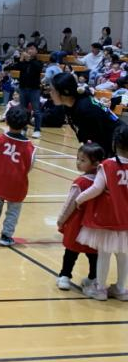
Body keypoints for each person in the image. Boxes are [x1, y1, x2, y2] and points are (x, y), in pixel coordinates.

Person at [75, 126, 128, 301]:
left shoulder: (107, 165)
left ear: (114, 143)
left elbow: (96, 188)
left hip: (109, 218)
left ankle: (100, 289)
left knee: (104, 253)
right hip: (126, 219)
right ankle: (121, 289)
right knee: (123, 254)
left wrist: (79, 199)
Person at [0, 107, 36, 246]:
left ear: (6, 121)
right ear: (26, 124)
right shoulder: (30, 147)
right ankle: (6, 236)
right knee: (13, 211)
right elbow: (29, 167)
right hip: (17, 183)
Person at [55, 143, 104, 291]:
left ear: (96, 163)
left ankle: (65, 276)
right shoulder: (105, 182)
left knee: (71, 251)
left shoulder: (81, 182)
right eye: (78, 158)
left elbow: (70, 204)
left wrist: (61, 220)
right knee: (93, 253)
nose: (78, 162)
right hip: (95, 225)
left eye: (83, 160)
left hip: (78, 223)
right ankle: (92, 278)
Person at [50, 72, 120, 156]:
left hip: (118, 142)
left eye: (52, 90)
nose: (50, 93)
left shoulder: (85, 108)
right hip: (108, 142)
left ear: (65, 92)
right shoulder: (69, 106)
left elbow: (100, 140)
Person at [8, 42, 44, 138]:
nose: (29, 51)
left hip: (34, 89)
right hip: (23, 88)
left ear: (36, 51)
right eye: (28, 49)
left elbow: (37, 68)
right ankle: (23, 128)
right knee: (23, 110)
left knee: (36, 110)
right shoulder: (24, 62)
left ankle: (37, 130)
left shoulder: (38, 62)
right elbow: (16, 67)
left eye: (32, 49)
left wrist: (29, 59)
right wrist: (21, 59)